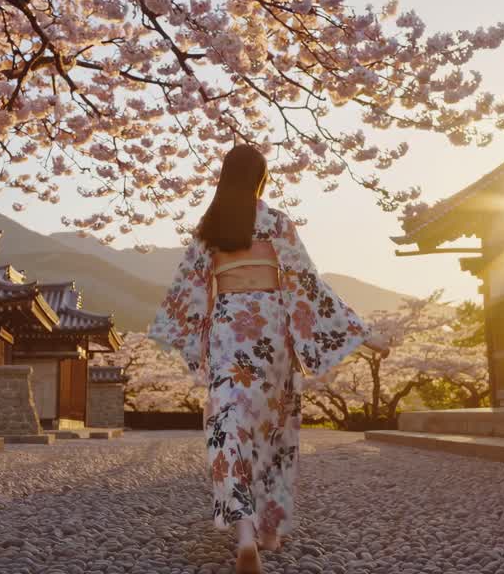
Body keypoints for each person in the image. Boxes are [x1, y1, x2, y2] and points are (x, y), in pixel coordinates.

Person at [149, 144, 388, 574]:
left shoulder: (209, 229)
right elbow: (308, 285)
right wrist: (362, 334)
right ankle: (271, 530)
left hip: (228, 331)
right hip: (271, 331)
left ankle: (244, 533)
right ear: (261, 179)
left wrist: (188, 337)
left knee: (228, 426)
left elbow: (188, 293)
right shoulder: (277, 222)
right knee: (275, 433)